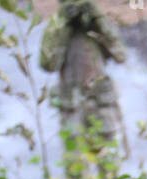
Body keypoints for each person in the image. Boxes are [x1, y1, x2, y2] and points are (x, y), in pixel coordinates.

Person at [39, 0, 128, 157]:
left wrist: (98, 20)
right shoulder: (56, 25)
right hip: (72, 104)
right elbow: (49, 65)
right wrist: (63, 26)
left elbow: (120, 55)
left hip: (101, 101)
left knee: (109, 158)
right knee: (75, 160)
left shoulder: (97, 24)